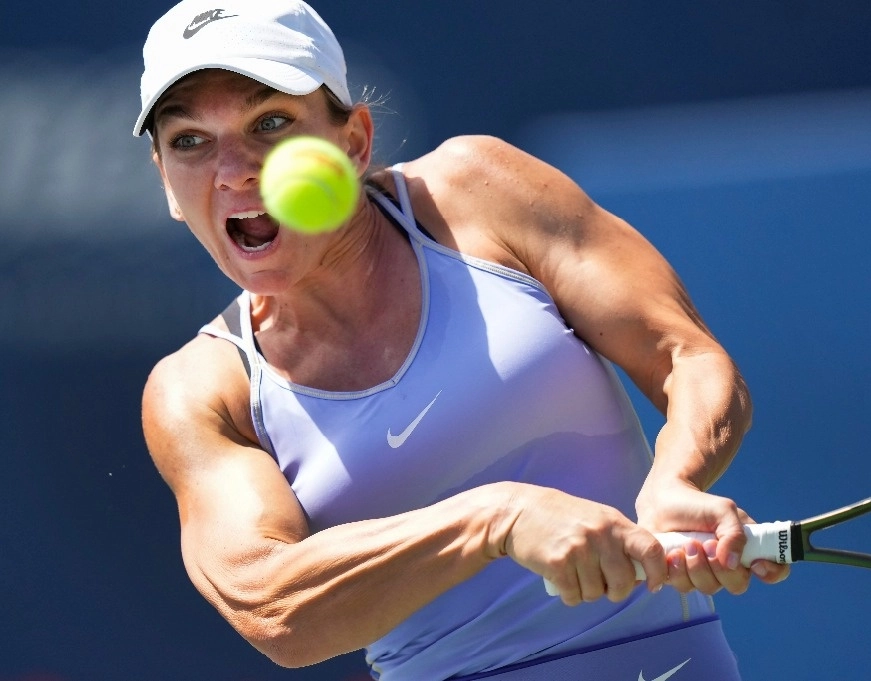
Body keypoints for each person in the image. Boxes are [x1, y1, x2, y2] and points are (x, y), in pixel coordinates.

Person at [135, 1, 789, 679]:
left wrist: (675, 480)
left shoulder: (478, 191)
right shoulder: (199, 391)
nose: (234, 167)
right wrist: (497, 519)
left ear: (354, 141)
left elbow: (687, 355)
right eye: (189, 141)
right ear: (166, 183)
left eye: (270, 122)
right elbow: (274, 607)